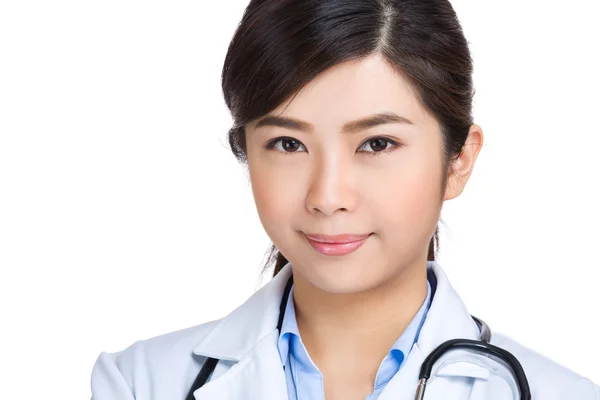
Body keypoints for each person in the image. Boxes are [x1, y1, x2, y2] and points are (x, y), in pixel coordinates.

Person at [90, 0, 599, 399]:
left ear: (458, 160)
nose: (327, 197)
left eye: (377, 144)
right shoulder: (140, 385)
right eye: (288, 144)